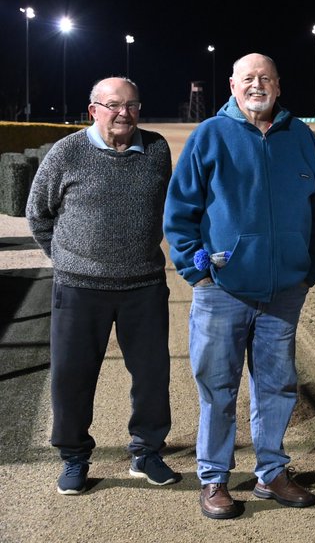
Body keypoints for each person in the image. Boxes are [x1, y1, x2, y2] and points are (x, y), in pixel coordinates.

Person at [164, 53, 315, 520]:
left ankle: (271, 472)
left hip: (283, 293)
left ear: (278, 86)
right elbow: (180, 212)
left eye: (265, 78)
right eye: (248, 79)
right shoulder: (209, 136)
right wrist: (195, 269)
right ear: (232, 86)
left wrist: (311, 267)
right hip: (222, 290)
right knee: (219, 388)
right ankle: (214, 478)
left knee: (277, 386)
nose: (257, 85)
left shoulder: (300, 138)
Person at [26, 77, 180, 495]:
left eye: (131, 105)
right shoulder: (67, 152)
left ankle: (146, 452)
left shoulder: (157, 149)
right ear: (93, 109)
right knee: (72, 377)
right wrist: (68, 260)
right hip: (79, 288)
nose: (123, 113)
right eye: (113, 105)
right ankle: (75, 458)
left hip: (144, 285)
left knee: (152, 376)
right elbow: (38, 213)